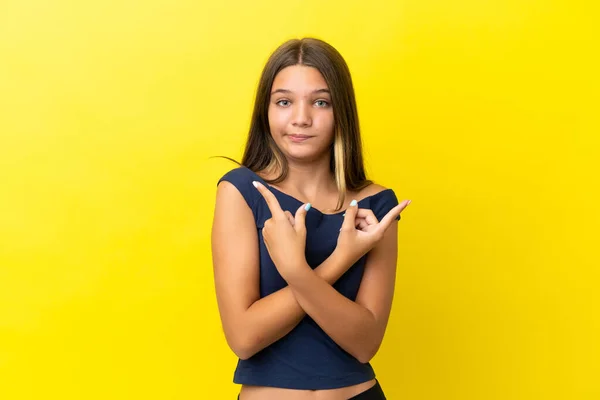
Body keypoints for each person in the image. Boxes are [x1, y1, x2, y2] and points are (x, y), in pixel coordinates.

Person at [211, 37, 411, 400]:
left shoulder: (377, 205)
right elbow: (243, 337)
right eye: (284, 102)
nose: (300, 118)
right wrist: (339, 260)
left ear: (341, 112)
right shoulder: (241, 192)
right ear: (265, 111)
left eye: (320, 102)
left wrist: (297, 270)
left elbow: (365, 344)